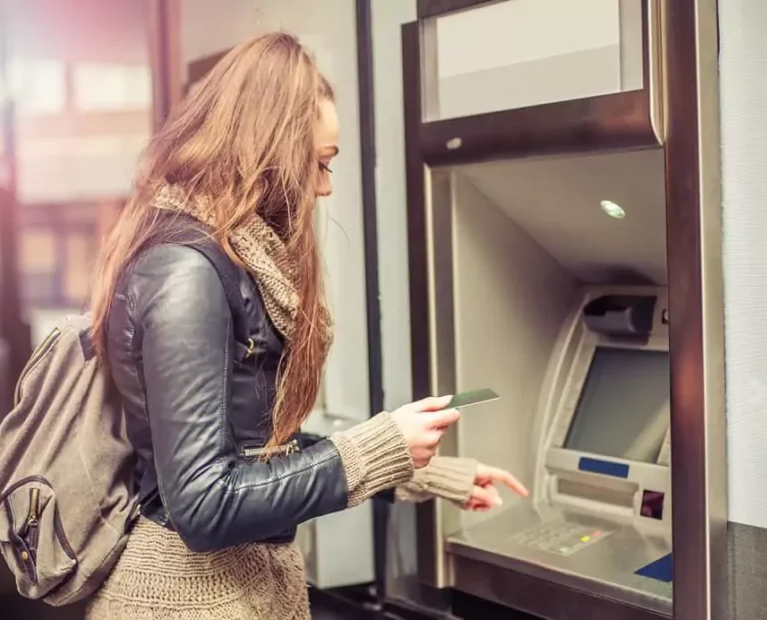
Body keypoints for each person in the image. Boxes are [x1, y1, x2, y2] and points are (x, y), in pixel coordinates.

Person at [84, 32, 528, 620]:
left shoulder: (225, 261)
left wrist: (420, 469)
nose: (325, 186)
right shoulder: (187, 272)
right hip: (182, 600)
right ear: (267, 151)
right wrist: (377, 449)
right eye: (319, 163)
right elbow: (203, 503)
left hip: (233, 594)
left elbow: (253, 452)